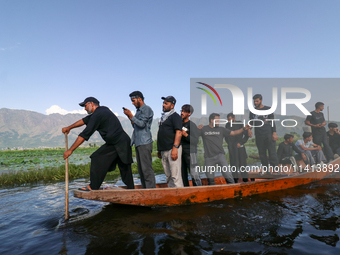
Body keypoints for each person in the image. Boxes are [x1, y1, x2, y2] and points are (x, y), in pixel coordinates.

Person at [62, 97, 135, 191]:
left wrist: (70, 150)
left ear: (91, 103)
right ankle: (132, 190)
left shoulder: (98, 114)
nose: (84, 108)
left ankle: (93, 186)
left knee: (97, 158)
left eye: (85, 106)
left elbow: (85, 134)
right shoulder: (102, 110)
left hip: (119, 142)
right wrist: (69, 128)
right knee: (124, 168)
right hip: (119, 142)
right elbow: (84, 121)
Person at [197, 113, 251, 185]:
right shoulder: (203, 129)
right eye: (217, 120)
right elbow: (193, 134)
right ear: (212, 120)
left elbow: (234, 133)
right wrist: (197, 128)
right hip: (208, 158)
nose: (219, 122)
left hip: (220, 156)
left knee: (229, 177)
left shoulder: (221, 129)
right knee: (210, 180)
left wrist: (244, 129)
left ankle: (234, 189)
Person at [123, 91, 156, 189]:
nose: (132, 103)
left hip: (145, 142)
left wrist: (131, 116)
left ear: (140, 99)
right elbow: (135, 125)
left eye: (133, 101)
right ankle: (146, 190)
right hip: (138, 142)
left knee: (146, 170)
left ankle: (151, 191)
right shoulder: (138, 111)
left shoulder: (147, 109)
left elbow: (142, 125)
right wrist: (130, 117)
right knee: (141, 170)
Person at [157, 96, 184, 188]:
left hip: (172, 149)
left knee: (175, 176)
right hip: (164, 150)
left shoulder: (175, 117)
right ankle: (173, 195)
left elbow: (179, 132)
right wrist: (159, 150)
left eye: (166, 103)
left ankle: (180, 196)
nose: (163, 105)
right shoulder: (163, 118)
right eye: (163, 103)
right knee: (168, 176)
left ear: (172, 106)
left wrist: (175, 148)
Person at [249, 94, 279, 172]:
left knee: (272, 153)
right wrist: (249, 130)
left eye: (257, 101)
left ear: (261, 100)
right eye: (254, 101)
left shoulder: (268, 109)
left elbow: (272, 121)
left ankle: (276, 170)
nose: (255, 103)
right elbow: (251, 122)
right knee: (262, 154)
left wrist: (274, 133)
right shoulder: (252, 111)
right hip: (258, 135)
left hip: (268, 134)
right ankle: (266, 170)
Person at [180, 104, 202, 186]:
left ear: (189, 113)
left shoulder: (192, 125)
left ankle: (199, 190)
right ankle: (186, 191)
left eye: (184, 111)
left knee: (194, 173)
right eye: (181, 110)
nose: (182, 113)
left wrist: (186, 135)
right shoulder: (179, 124)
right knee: (182, 174)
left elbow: (196, 141)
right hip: (180, 153)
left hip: (190, 153)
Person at [225, 113, 250, 183]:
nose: (229, 121)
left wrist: (241, 143)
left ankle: (245, 180)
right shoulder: (227, 125)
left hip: (240, 147)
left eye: (230, 119)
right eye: (228, 120)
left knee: (243, 165)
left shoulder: (240, 124)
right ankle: (235, 181)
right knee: (233, 165)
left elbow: (246, 136)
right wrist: (229, 145)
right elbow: (226, 136)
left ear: (234, 118)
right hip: (232, 148)